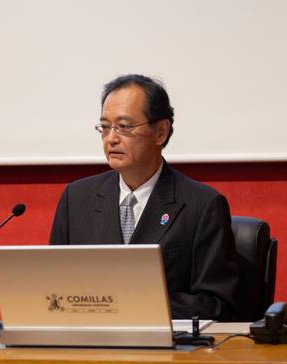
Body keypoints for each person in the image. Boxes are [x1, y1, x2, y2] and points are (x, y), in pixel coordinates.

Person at [49, 74, 238, 320]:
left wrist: (130, 304)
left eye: (124, 127)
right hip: (89, 346)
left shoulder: (201, 205)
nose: (111, 138)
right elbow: (52, 286)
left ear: (160, 132)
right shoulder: (76, 199)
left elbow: (217, 304)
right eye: (105, 127)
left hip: (167, 350)